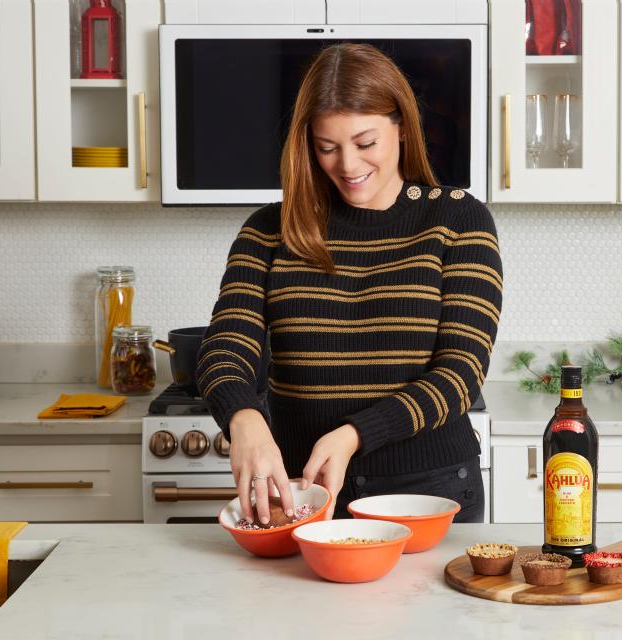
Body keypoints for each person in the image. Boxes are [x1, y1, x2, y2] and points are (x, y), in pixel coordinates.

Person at [195, 43, 502, 526]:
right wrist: (245, 419)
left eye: (365, 143)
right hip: (306, 492)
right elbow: (224, 350)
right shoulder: (268, 230)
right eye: (327, 147)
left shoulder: (458, 217)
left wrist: (353, 434)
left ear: (401, 127)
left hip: (428, 490)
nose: (348, 165)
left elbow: (460, 373)